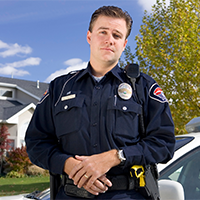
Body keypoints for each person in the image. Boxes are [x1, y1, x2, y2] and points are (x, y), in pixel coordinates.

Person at [25, 5, 175, 200]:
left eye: (116, 35)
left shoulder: (143, 87)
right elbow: (36, 143)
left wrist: (115, 157)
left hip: (127, 194)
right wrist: (69, 165)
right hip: (71, 194)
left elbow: (164, 144)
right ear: (89, 36)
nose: (109, 40)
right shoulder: (59, 88)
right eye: (103, 32)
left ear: (124, 43)